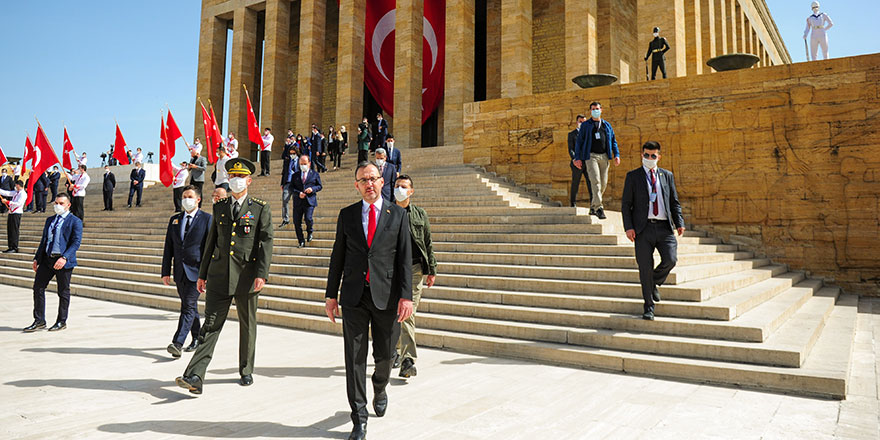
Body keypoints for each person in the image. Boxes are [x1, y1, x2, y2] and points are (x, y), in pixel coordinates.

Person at [324, 162, 414, 440]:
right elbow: (337, 255)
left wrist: (406, 296)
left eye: (373, 178)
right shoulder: (347, 215)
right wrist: (330, 294)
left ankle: (380, 384)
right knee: (354, 358)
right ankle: (359, 417)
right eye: (363, 180)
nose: (369, 184)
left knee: (386, 356)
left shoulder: (397, 215)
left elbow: (405, 259)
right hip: (354, 296)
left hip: (387, 296)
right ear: (357, 185)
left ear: (382, 181)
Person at [175, 158, 273, 394]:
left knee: (247, 325)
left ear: (249, 180)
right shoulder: (219, 207)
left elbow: (266, 242)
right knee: (210, 325)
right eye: (233, 177)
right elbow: (211, 243)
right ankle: (195, 375)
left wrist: (262, 273)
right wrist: (203, 273)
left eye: (241, 177)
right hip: (219, 275)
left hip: (247, 276)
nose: (236, 181)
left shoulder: (260, 207)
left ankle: (246, 369)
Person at [621, 141, 685, 321]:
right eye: (646, 155)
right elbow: (626, 204)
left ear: (659, 156)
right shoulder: (633, 176)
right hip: (643, 229)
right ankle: (648, 306)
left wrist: (679, 222)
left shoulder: (667, 176)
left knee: (670, 259)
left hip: (664, 227)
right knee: (645, 267)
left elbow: (674, 201)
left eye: (653, 156)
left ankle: (653, 282)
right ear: (642, 155)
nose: (649, 158)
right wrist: (629, 227)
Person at [390, 175, 436, 379]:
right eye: (397, 186)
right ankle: (397, 350)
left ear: (411, 191)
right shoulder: (386, 212)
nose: (400, 189)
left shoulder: (419, 214)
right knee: (394, 313)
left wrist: (431, 269)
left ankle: (408, 359)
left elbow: (427, 242)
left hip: (414, 269)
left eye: (404, 186)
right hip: (391, 271)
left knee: (408, 312)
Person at [162, 186, 212, 358]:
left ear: (198, 199)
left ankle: (177, 343)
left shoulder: (207, 219)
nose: (186, 200)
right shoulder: (175, 220)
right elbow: (168, 247)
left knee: (188, 306)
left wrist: (206, 274)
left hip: (196, 272)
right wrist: (165, 271)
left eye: (189, 196)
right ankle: (198, 337)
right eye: (184, 196)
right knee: (190, 306)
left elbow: (209, 248)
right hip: (179, 272)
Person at [23, 193, 82, 332]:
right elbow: (44, 240)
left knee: (63, 291)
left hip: (63, 261)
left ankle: (61, 321)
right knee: (38, 287)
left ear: (68, 205)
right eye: (56, 203)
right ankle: (39, 320)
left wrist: (65, 257)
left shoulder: (75, 221)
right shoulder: (50, 220)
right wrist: (37, 258)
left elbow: (75, 243)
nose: (57, 206)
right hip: (47, 259)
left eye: (61, 203)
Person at [574, 102, 620, 219]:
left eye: (597, 108)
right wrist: (577, 158)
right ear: (590, 111)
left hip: (604, 156)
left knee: (603, 183)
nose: (595, 110)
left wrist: (617, 154)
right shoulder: (585, 125)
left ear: (601, 110)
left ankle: (593, 207)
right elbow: (579, 142)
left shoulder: (607, 125)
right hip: (591, 156)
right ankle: (599, 208)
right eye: (593, 109)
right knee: (596, 181)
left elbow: (613, 140)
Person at [291, 154, 322, 247]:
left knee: (308, 218)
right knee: (297, 222)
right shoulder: (295, 175)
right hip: (298, 201)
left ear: (309, 163)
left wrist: (312, 189)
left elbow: (319, 186)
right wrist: (298, 193)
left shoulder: (315, 174)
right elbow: (291, 187)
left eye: (304, 163)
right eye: (301, 164)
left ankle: (310, 232)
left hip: (310, 201)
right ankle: (301, 240)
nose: (303, 165)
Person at [568, 114, 592, 209]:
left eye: (584, 122)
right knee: (575, 183)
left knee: (591, 183)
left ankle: (593, 205)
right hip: (577, 163)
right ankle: (573, 203)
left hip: (588, 162)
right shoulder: (572, 134)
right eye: (580, 122)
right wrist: (575, 159)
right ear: (577, 122)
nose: (582, 124)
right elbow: (571, 149)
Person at [0, 180, 26, 253]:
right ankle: (10, 246)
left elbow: (19, 203)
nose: (15, 186)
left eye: (15, 185)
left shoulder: (23, 194)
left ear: (18, 185)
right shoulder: (16, 193)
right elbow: (7, 193)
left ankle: (14, 247)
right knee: (10, 230)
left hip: (16, 213)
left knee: (14, 230)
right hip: (11, 212)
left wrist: (8, 202)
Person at [279, 142, 300, 228]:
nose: (292, 155)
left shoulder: (300, 160)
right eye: (290, 153)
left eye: (293, 153)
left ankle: (298, 218)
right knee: (285, 200)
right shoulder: (287, 160)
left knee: (298, 202)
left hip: (297, 183)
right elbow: (284, 172)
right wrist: (282, 183)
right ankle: (285, 219)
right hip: (288, 182)